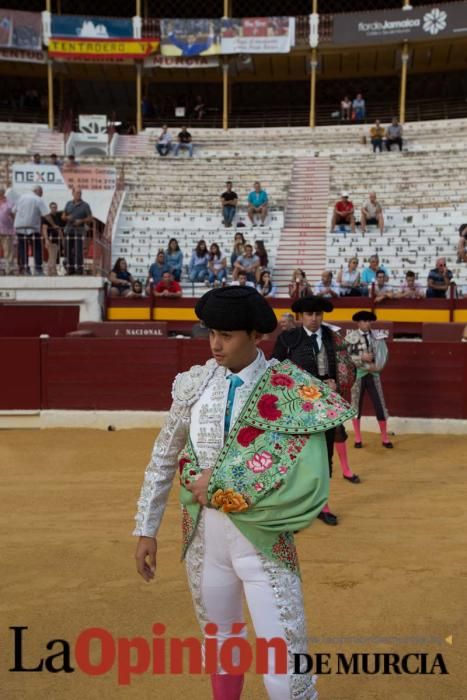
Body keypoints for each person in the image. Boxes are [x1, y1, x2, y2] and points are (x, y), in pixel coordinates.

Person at [133, 285, 354, 699]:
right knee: (221, 644)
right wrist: (146, 529)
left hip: (264, 540)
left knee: (284, 664)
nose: (215, 344)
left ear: (256, 335)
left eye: (227, 335)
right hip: (204, 540)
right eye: (211, 332)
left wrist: (218, 482)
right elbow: (164, 456)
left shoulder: (288, 389)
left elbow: (302, 472)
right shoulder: (193, 385)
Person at [272, 296, 359, 528]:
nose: (314, 319)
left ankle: (323, 505)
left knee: (323, 455)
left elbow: (348, 370)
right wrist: (302, 388)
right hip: (297, 409)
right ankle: (295, 508)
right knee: (297, 458)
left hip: (325, 409)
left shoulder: (334, 338)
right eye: (310, 314)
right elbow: (275, 372)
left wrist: (337, 385)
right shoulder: (288, 339)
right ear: (301, 316)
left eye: (318, 314)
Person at [346, 311, 392, 448]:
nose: (367, 323)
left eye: (369, 321)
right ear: (358, 323)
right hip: (358, 375)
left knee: (379, 406)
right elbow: (346, 358)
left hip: (374, 375)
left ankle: (385, 438)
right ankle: (358, 439)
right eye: (364, 321)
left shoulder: (377, 337)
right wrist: (362, 359)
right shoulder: (351, 337)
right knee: (356, 407)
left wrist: (377, 367)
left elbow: (384, 354)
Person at [13, 186, 57, 275]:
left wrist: (17, 221)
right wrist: (54, 225)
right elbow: (47, 215)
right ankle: (38, 269)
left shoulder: (21, 198)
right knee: (37, 248)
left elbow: (13, 211)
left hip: (20, 227)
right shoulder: (37, 199)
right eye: (41, 192)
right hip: (32, 228)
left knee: (22, 249)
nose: (42, 195)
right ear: (38, 191)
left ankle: (25, 269)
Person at [62, 188, 93, 275]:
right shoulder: (68, 203)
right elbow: (63, 216)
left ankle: (79, 269)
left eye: (80, 193)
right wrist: (67, 217)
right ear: (72, 193)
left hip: (79, 231)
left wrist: (81, 221)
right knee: (67, 250)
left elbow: (90, 218)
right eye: (77, 193)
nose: (79, 194)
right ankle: (70, 269)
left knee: (78, 251)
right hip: (69, 230)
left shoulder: (85, 205)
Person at [42, 201, 63, 276]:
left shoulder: (58, 217)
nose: (54, 208)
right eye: (53, 207)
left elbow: (59, 229)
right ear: (50, 208)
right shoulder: (47, 217)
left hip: (57, 239)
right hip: (50, 239)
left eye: (55, 207)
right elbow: (44, 229)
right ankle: (52, 272)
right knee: (52, 255)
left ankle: (50, 271)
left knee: (53, 255)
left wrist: (62, 239)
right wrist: (46, 239)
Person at [0, 186, 15, 274]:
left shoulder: (10, 203)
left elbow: (14, 215)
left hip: (7, 231)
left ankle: (9, 269)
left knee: (8, 251)